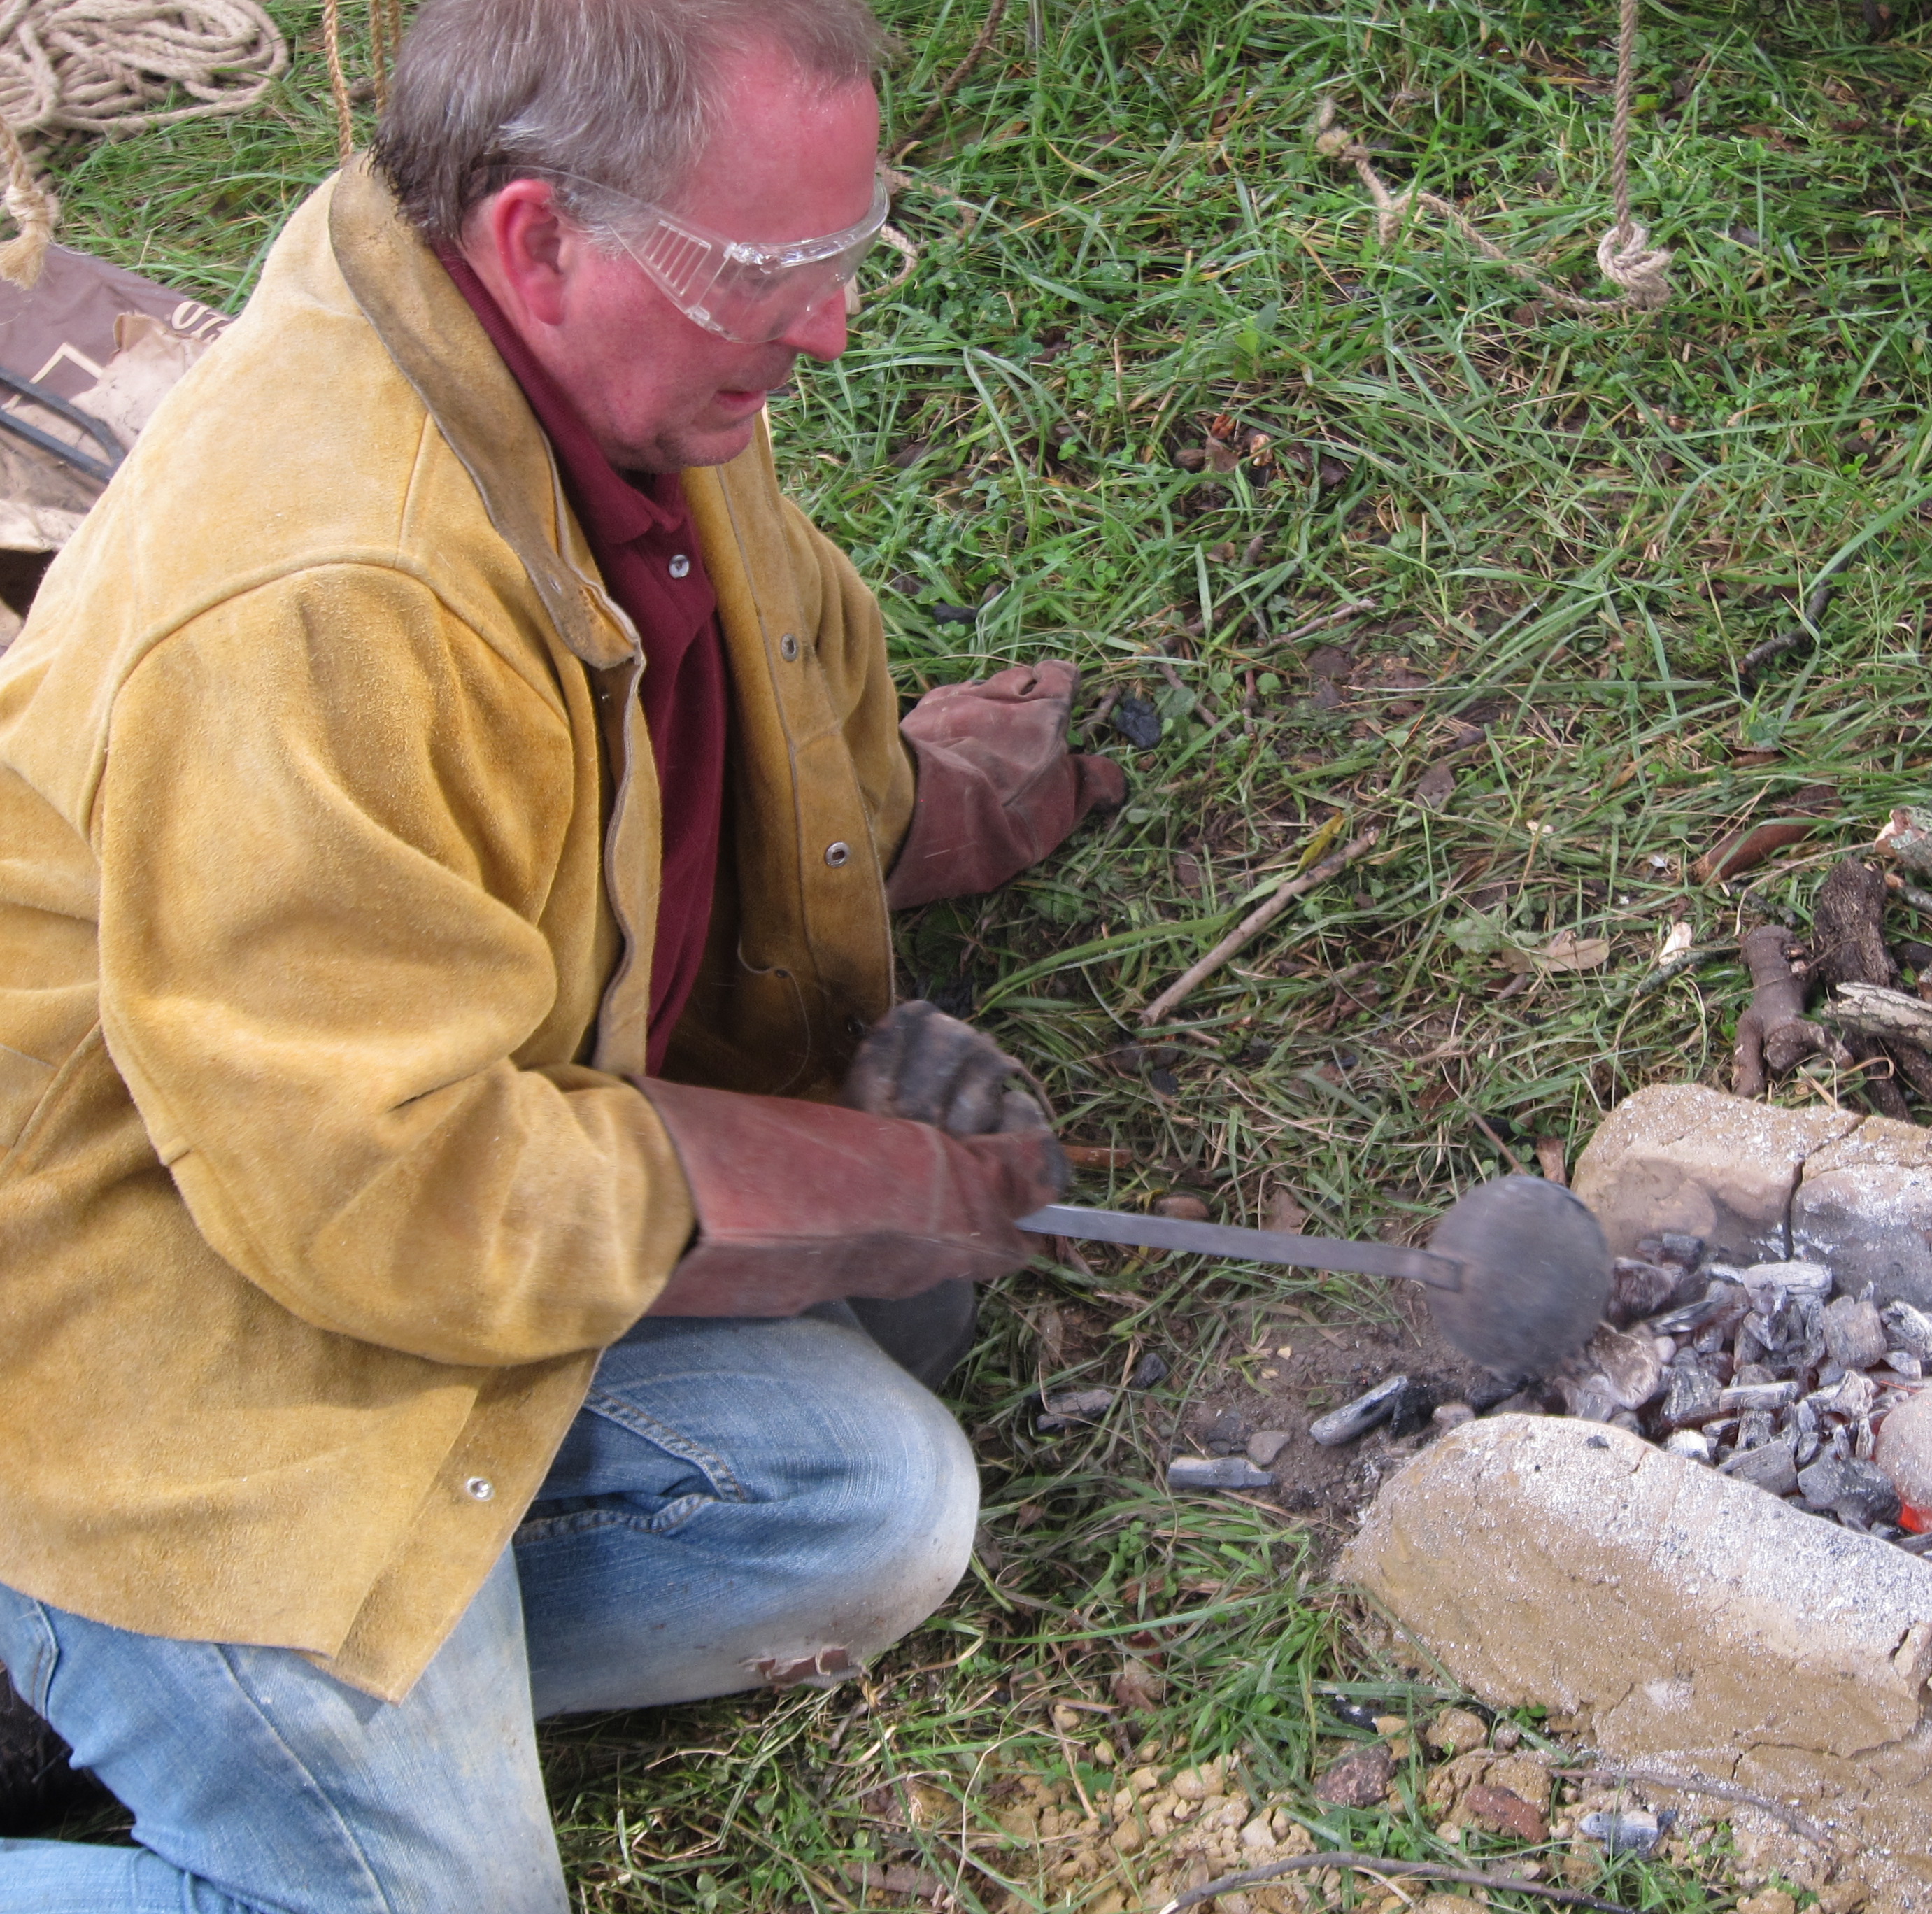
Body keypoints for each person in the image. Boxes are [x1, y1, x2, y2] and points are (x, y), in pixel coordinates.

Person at [0, 0, 1123, 1905]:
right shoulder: (324, 599)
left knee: (880, 1509)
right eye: (779, 268)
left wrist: (916, 811)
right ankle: (119, 1653)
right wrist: (822, 1186)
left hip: (356, 1233)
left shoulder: (618, 374)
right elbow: (382, 1185)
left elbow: (761, 686)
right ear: (539, 239)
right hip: (146, 1330)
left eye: (851, 248)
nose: (834, 326)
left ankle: (217, 1701)